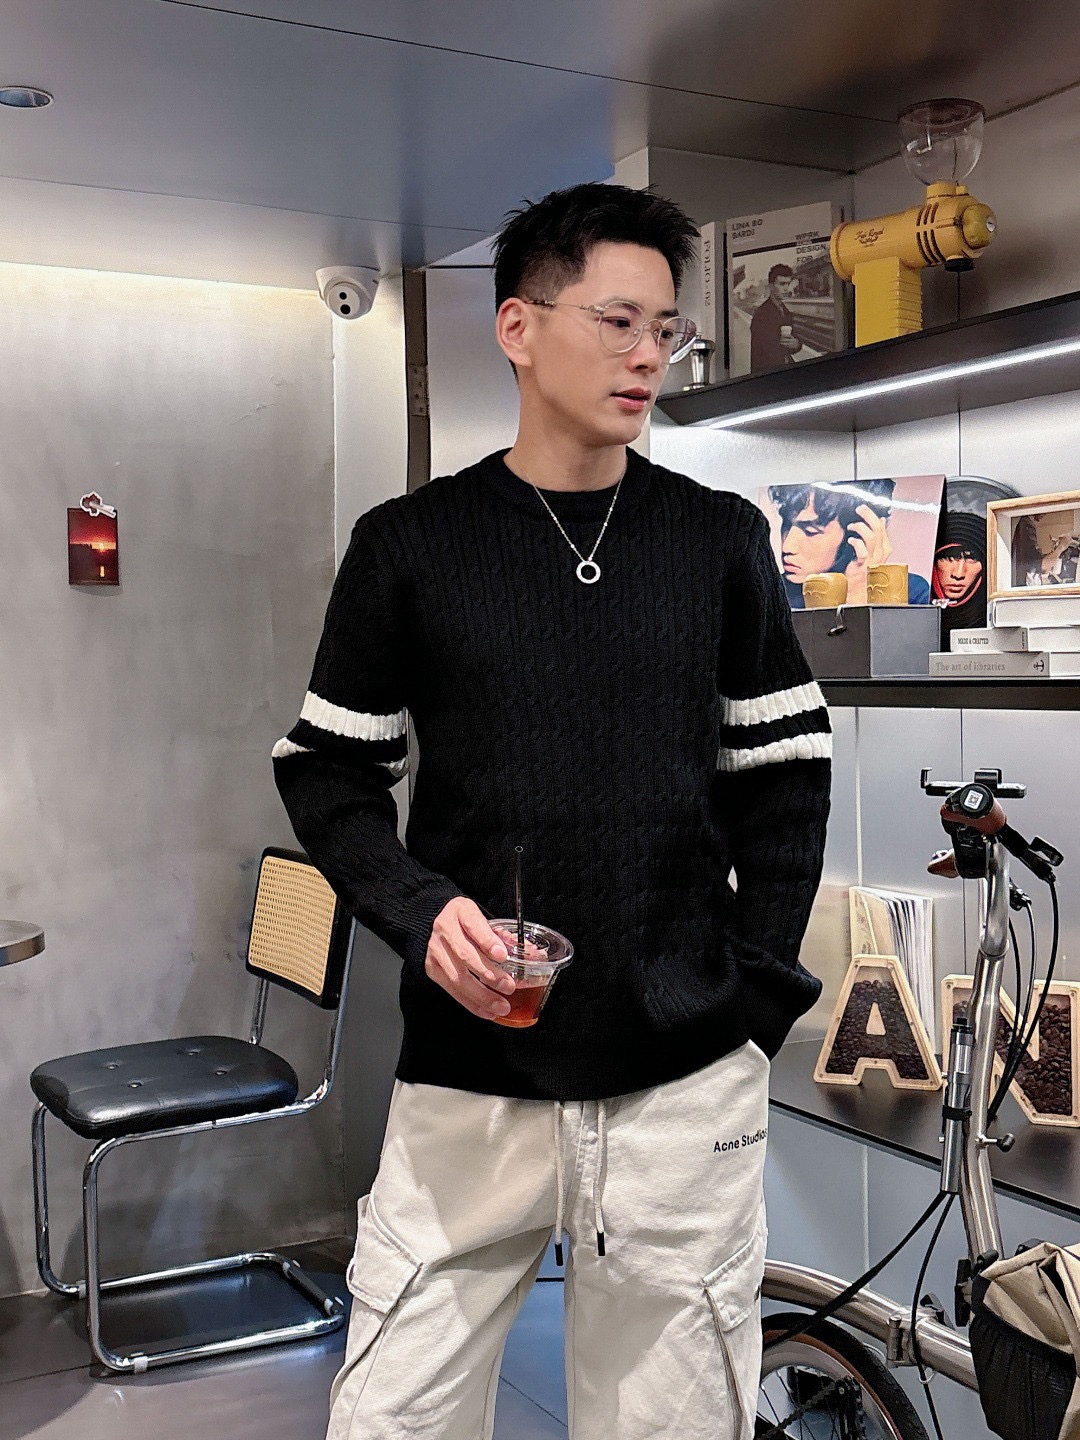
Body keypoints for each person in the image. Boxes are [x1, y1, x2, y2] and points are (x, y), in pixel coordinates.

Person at [273, 182, 832, 1440]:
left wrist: (753, 997)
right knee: (393, 1417)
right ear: (518, 328)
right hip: (469, 1081)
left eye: (666, 330)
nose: (648, 356)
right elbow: (327, 769)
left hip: (681, 1085)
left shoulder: (718, 539)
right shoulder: (409, 544)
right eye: (618, 322)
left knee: (674, 1425)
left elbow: (787, 773)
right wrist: (422, 912)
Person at [768, 480, 931, 607]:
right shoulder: (770, 594)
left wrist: (857, 597)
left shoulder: (912, 594)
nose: (787, 546)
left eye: (810, 531)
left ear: (856, 535)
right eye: (787, 525)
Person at [749, 262, 801, 373]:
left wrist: (796, 344)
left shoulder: (785, 312)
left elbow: (794, 339)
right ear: (771, 286)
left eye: (788, 283)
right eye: (782, 284)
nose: (786, 288)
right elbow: (765, 351)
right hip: (768, 373)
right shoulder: (761, 315)